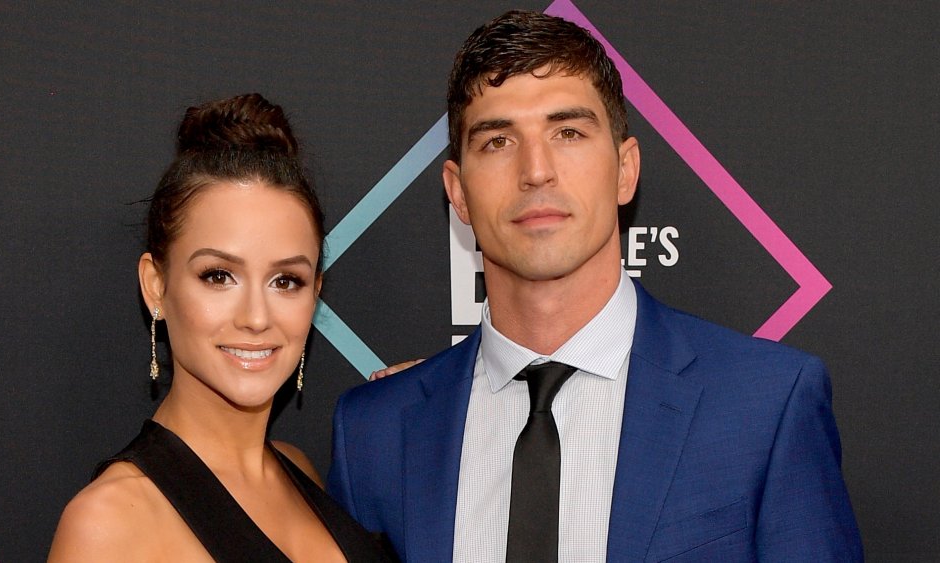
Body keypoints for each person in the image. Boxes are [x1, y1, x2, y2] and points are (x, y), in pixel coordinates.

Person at [327, 11, 862, 562]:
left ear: (625, 169)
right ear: (458, 192)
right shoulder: (376, 431)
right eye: (497, 141)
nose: (536, 170)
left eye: (568, 132)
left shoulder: (767, 404)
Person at [49, 93, 396, 562]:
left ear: (314, 292)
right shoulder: (109, 524)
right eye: (218, 276)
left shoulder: (299, 471)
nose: (255, 317)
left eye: (285, 281)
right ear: (156, 285)